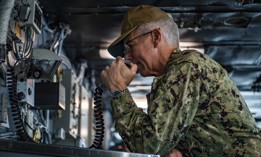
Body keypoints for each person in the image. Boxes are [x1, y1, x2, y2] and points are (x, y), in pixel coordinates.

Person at [101, 5, 261, 157]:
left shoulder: (186, 66)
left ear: (155, 37)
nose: (127, 56)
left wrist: (118, 90)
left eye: (130, 46)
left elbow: (149, 144)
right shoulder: (170, 76)